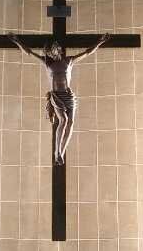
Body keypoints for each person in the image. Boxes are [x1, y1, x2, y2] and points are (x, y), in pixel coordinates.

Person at [7, 32, 111, 164]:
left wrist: (100, 41)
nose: (50, 54)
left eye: (52, 51)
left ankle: (62, 151)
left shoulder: (69, 61)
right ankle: (57, 151)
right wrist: (17, 41)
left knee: (71, 122)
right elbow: (29, 52)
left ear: (58, 49)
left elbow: (87, 52)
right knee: (64, 120)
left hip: (68, 95)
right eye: (48, 52)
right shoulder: (47, 62)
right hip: (57, 96)